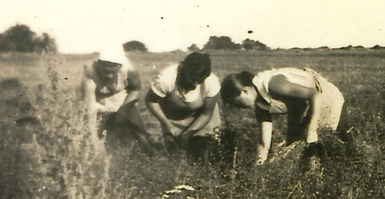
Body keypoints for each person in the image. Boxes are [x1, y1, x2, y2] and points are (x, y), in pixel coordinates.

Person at [221, 67, 352, 164]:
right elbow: (264, 141)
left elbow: (315, 95)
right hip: (303, 107)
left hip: (324, 97)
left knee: (337, 141)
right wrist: (259, 162)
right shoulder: (260, 106)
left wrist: (311, 130)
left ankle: (350, 169)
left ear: (245, 91)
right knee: (301, 150)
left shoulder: (274, 84)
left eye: (237, 101)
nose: (239, 106)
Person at [145, 52, 222, 162]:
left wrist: (187, 134)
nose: (195, 84)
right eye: (192, 79)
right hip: (175, 118)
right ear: (184, 70)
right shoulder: (166, 79)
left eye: (199, 81)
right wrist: (167, 124)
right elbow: (151, 101)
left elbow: (206, 113)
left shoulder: (211, 82)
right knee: (175, 157)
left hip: (203, 118)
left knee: (206, 154)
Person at [81, 44, 155, 151]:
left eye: (113, 72)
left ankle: (151, 155)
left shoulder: (130, 69)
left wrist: (124, 111)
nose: (109, 76)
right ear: (99, 65)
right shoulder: (90, 72)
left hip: (122, 101)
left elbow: (135, 89)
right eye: (106, 71)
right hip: (99, 104)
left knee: (141, 136)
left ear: (120, 66)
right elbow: (90, 107)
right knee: (95, 139)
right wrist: (94, 141)